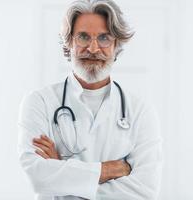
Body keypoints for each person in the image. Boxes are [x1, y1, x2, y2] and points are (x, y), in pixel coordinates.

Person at [17, 0, 163, 199]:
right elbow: (37, 177)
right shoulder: (39, 102)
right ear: (68, 42)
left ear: (116, 45)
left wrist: (62, 176)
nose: (93, 48)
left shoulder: (140, 111)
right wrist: (108, 170)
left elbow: (144, 192)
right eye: (83, 37)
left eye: (104, 38)